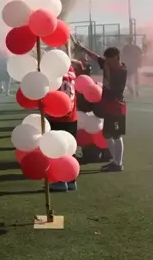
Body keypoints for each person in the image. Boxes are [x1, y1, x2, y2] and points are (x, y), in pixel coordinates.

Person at [75, 42, 128, 172]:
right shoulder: (108, 64)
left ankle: (118, 163)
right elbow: (96, 57)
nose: (106, 62)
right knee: (107, 135)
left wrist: (107, 70)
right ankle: (114, 161)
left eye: (109, 60)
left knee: (116, 135)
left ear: (116, 58)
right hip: (108, 107)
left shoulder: (121, 71)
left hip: (117, 107)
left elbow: (110, 86)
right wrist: (83, 48)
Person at [46, 64, 78, 191]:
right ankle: (71, 179)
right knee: (70, 149)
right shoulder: (71, 71)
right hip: (72, 115)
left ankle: (60, 180)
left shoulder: (54, 74)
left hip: (58, 116)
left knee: (57, 148)